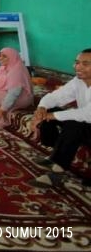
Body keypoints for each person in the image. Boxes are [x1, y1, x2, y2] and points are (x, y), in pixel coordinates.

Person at [28, 48, 91, 188]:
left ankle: (58, 172)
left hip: (87, 122)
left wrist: (51, 115)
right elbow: (57, 96)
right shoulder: (78, 81)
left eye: (85, 64)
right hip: (86, 125)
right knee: (51, 110)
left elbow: (87, 114)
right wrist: (42, 109)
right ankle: (56, 153)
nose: (77, 67)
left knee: (74, 124)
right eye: (77, 62)